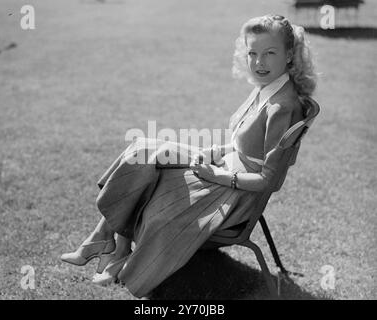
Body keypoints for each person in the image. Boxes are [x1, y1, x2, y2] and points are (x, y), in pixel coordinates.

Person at [60, 14, 316, 298]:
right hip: (222, 166)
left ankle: (113, 250)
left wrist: (217, 174)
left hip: (235, 193)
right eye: (253, 53)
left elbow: (269, 181)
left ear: (289, 54)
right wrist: (213, 152)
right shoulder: (267, 87)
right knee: (142, 152)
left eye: (269, 53)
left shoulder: (282, 106)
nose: (258, 62)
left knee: (154, 184)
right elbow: (244, 144)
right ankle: (109, 244)